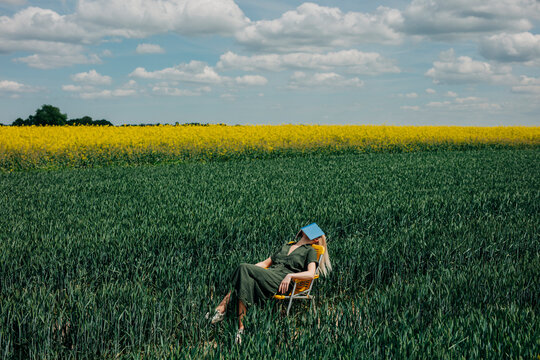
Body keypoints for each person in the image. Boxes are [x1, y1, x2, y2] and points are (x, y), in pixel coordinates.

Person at [206, 224, 332, 344]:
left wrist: (290, 275)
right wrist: (248, 272)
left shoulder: (309, 251)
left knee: (243, 267)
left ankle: (221, 309)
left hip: (283, 281)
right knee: (244, 277)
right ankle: (241, 329)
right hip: (270, 275)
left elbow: (311, 274)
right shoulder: (287, 246)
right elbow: (265, 264)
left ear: (315, 239)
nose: (307, 229)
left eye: (312, 231)